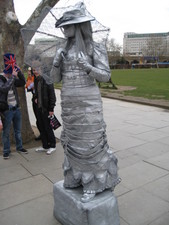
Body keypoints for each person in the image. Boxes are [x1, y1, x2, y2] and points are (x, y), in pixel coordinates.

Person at [49, 3, 120, 202]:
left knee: (90, 143)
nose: (64, 30)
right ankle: (76, 177)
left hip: (89, 101)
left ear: (79, 25)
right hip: (69, 101)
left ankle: (94, 183)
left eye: (68, 25)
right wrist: (56, 61)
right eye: (63, 27)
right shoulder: (61, 49)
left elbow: (105, 76)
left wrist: (88, 67)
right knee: (73, 141)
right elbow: (55, 79)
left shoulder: (94, 46)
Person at [0, 53, 28, 159]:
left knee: (18, 130)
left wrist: (19, 72)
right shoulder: (1, 79)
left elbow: (22, 82)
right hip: (7, 110)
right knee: (6, 132)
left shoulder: (12, 78)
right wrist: (12, 78)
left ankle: (19, 147)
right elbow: (4, 89)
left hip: (16, 108)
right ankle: (6, 151)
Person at [33, 62, 57, 155]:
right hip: (38, 108)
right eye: (34, 70)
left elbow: (52, 96)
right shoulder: (36, 80)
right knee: (41, 127)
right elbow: (36, 92)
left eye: (37, 69)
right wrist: (35, 98)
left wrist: (51, 109)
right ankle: (45, 145)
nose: (35, 72)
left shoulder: (47, 80)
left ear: (42, 69)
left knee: (48, 127)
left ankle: (53, 145)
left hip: (46, 108)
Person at [25, 67, 41, 140]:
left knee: (42, 119)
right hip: (35, 99)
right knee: (38, 118)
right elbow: (28, 87)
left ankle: (46, 135)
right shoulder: (32, 78)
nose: (35, 72)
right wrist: (29, 77)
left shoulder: (40, 79)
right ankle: (42, 134)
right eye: (33, 71)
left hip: (40, 100)